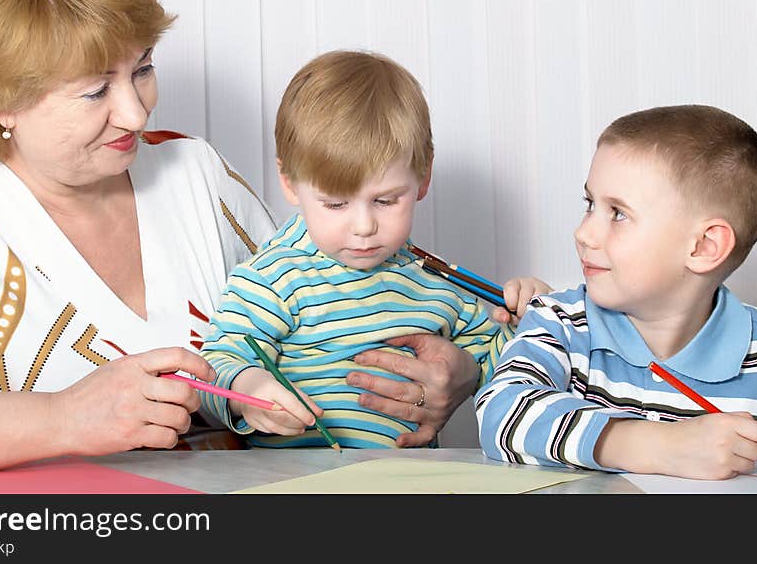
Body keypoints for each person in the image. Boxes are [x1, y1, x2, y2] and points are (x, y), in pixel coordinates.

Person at [0, 0, 501, 476]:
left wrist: (456, 373)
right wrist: (61, 418)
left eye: (143, 69)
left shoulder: (194, 172)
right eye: (94, 90)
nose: (135, 110)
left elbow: (326, 314)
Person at [198, 50, 550, 448]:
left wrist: (532, 323)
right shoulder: (274, 278)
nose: (364, 226)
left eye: (385, 201)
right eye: (335, 204)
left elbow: (497, 368)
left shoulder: (433, 281)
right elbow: (214, 368)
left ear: (423, 177)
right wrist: (250, 391)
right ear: (290, 183)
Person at [476, 104, 757, 480]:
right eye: (590, 205)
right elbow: (500, 412)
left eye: (617, 213)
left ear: (703, 247)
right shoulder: (561, 323)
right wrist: (656, 446)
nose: (583, 233)